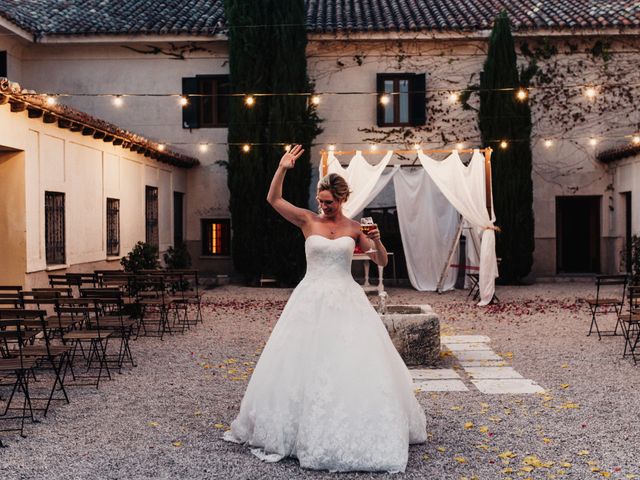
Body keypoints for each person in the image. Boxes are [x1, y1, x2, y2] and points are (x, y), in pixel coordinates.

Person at [223, 145, 427, 473]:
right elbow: (274, 200)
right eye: (320, 200)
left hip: (347, 299)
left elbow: (382, 261)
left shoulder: (354, 228)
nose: (323, 205)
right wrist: (282, 168)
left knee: (350, 362)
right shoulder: (307, 220)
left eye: (328, 202)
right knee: (304, 362)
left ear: (341, 199)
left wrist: (376, 240)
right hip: (310, 299)